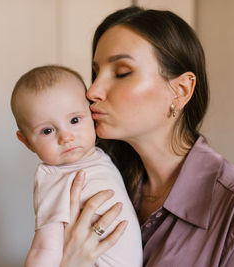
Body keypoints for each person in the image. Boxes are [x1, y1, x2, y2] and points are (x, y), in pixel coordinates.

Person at [59, 6, 234, 267]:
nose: (93, 91)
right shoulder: (102, 184)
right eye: (95, 73)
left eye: (122, 72)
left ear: (180, 90)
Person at [10, 65, 143, 267]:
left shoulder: (99, 154)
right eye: (47, 131)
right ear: (27, 141)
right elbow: (45, 247)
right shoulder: (53, 177)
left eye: (74, 120)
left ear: (92, 113)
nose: (66, 137)